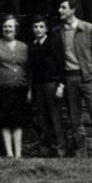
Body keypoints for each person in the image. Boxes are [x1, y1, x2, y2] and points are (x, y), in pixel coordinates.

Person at [56, 0, 92, 158]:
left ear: (73, 10)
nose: (60, 10)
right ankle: (81, 154)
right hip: (70, 78)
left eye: (63, 7)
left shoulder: (88, 28)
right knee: (74, 118)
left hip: (89, 78)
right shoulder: (57, 32)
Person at [0, 15, 29, 158]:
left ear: (15, 29)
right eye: (5, 26)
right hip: (2, 88)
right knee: (5, 121)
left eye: (10, 26)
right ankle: (9, 153)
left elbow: (28, 68)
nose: (7, 29)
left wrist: (29, 89)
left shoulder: (23, 46)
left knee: (18, 121)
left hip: (20, 88)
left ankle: (18, 153)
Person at [28, 14, 66, 157]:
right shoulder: (33, 45)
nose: (38, 30)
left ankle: (60, 149)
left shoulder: (52, 42)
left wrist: (61, 85)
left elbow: (61, 63)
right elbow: (31, 69)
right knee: (42, 117)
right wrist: (31, 89)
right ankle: (45, 148)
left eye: (41, 27)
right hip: (38, 86)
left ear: (46, 29)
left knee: (55, 117)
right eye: (36, 27)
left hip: (52, 84)